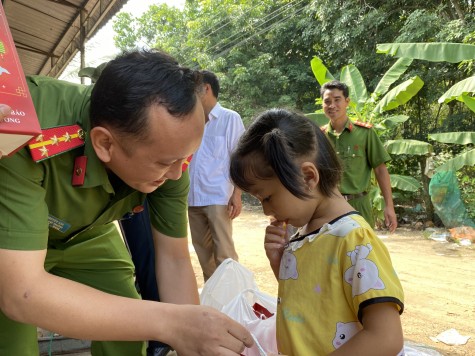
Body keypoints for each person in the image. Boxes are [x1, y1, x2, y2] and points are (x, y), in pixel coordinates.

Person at [0, 49, 253, 356]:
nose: (177, 175)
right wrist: (170, 324)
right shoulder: (21, 127)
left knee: (128, 327)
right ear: (105, 143)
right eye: (166, 162)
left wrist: (192, 334)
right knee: (12, 343)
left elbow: (173, 259)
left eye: (186, 158)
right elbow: (22, 292)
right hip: (9, 240)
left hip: (85, 233)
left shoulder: (171, 159)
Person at [229, 108, 405, 355]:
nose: (266, 209)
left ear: (308, 177)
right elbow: (314, 300)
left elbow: (386, 337)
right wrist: (280, 263)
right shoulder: (304, 234)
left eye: (267, 197)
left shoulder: (354, 240)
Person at [187, 69, 245, 281]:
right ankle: (214, 301)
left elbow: (239, 159)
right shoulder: (190, 121)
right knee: (203, 256)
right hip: (193, 197)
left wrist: (237, 195)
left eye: (194, 89)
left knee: (224, 254)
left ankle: (233, 298)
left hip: (218, 198)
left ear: (206, 89)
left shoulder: (229, 118)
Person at [320, 80, 398, 232]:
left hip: (359, 205)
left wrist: (389, 207)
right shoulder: (319, 137)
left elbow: (380, 170)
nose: (332, 105)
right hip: (328, 206)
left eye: (337, 100)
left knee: (362, 252)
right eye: (327, 101)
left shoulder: (365, 133)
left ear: (347, 102)